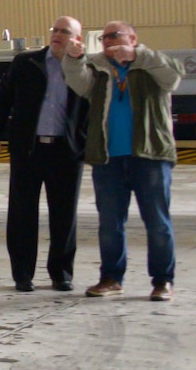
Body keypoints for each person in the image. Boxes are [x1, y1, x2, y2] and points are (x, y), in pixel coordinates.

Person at [65, 22, 181, 301]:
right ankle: (111, 278)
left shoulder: (152, 66)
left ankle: (163, 281)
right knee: (110, 223)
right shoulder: (100, 70)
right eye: (103, 37)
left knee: (157, 222)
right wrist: (74, 58)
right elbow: (78, 82)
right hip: (108, 159)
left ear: (132, 38)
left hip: (150, 156)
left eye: (114, 36)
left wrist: (137, 55)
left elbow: (174, 76)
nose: (107, 41)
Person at [0, 17, 90, 291]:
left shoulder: (85, 68)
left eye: (65, 32)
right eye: (54, 30)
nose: (57, 34)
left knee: (64, 215)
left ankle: (61, 274)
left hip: (65, 152)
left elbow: (94, 108)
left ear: (77, 39)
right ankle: (22, 274)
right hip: (28, 150)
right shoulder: (26, 63)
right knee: (22, 214)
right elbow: (3, 99)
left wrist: (85, 143)